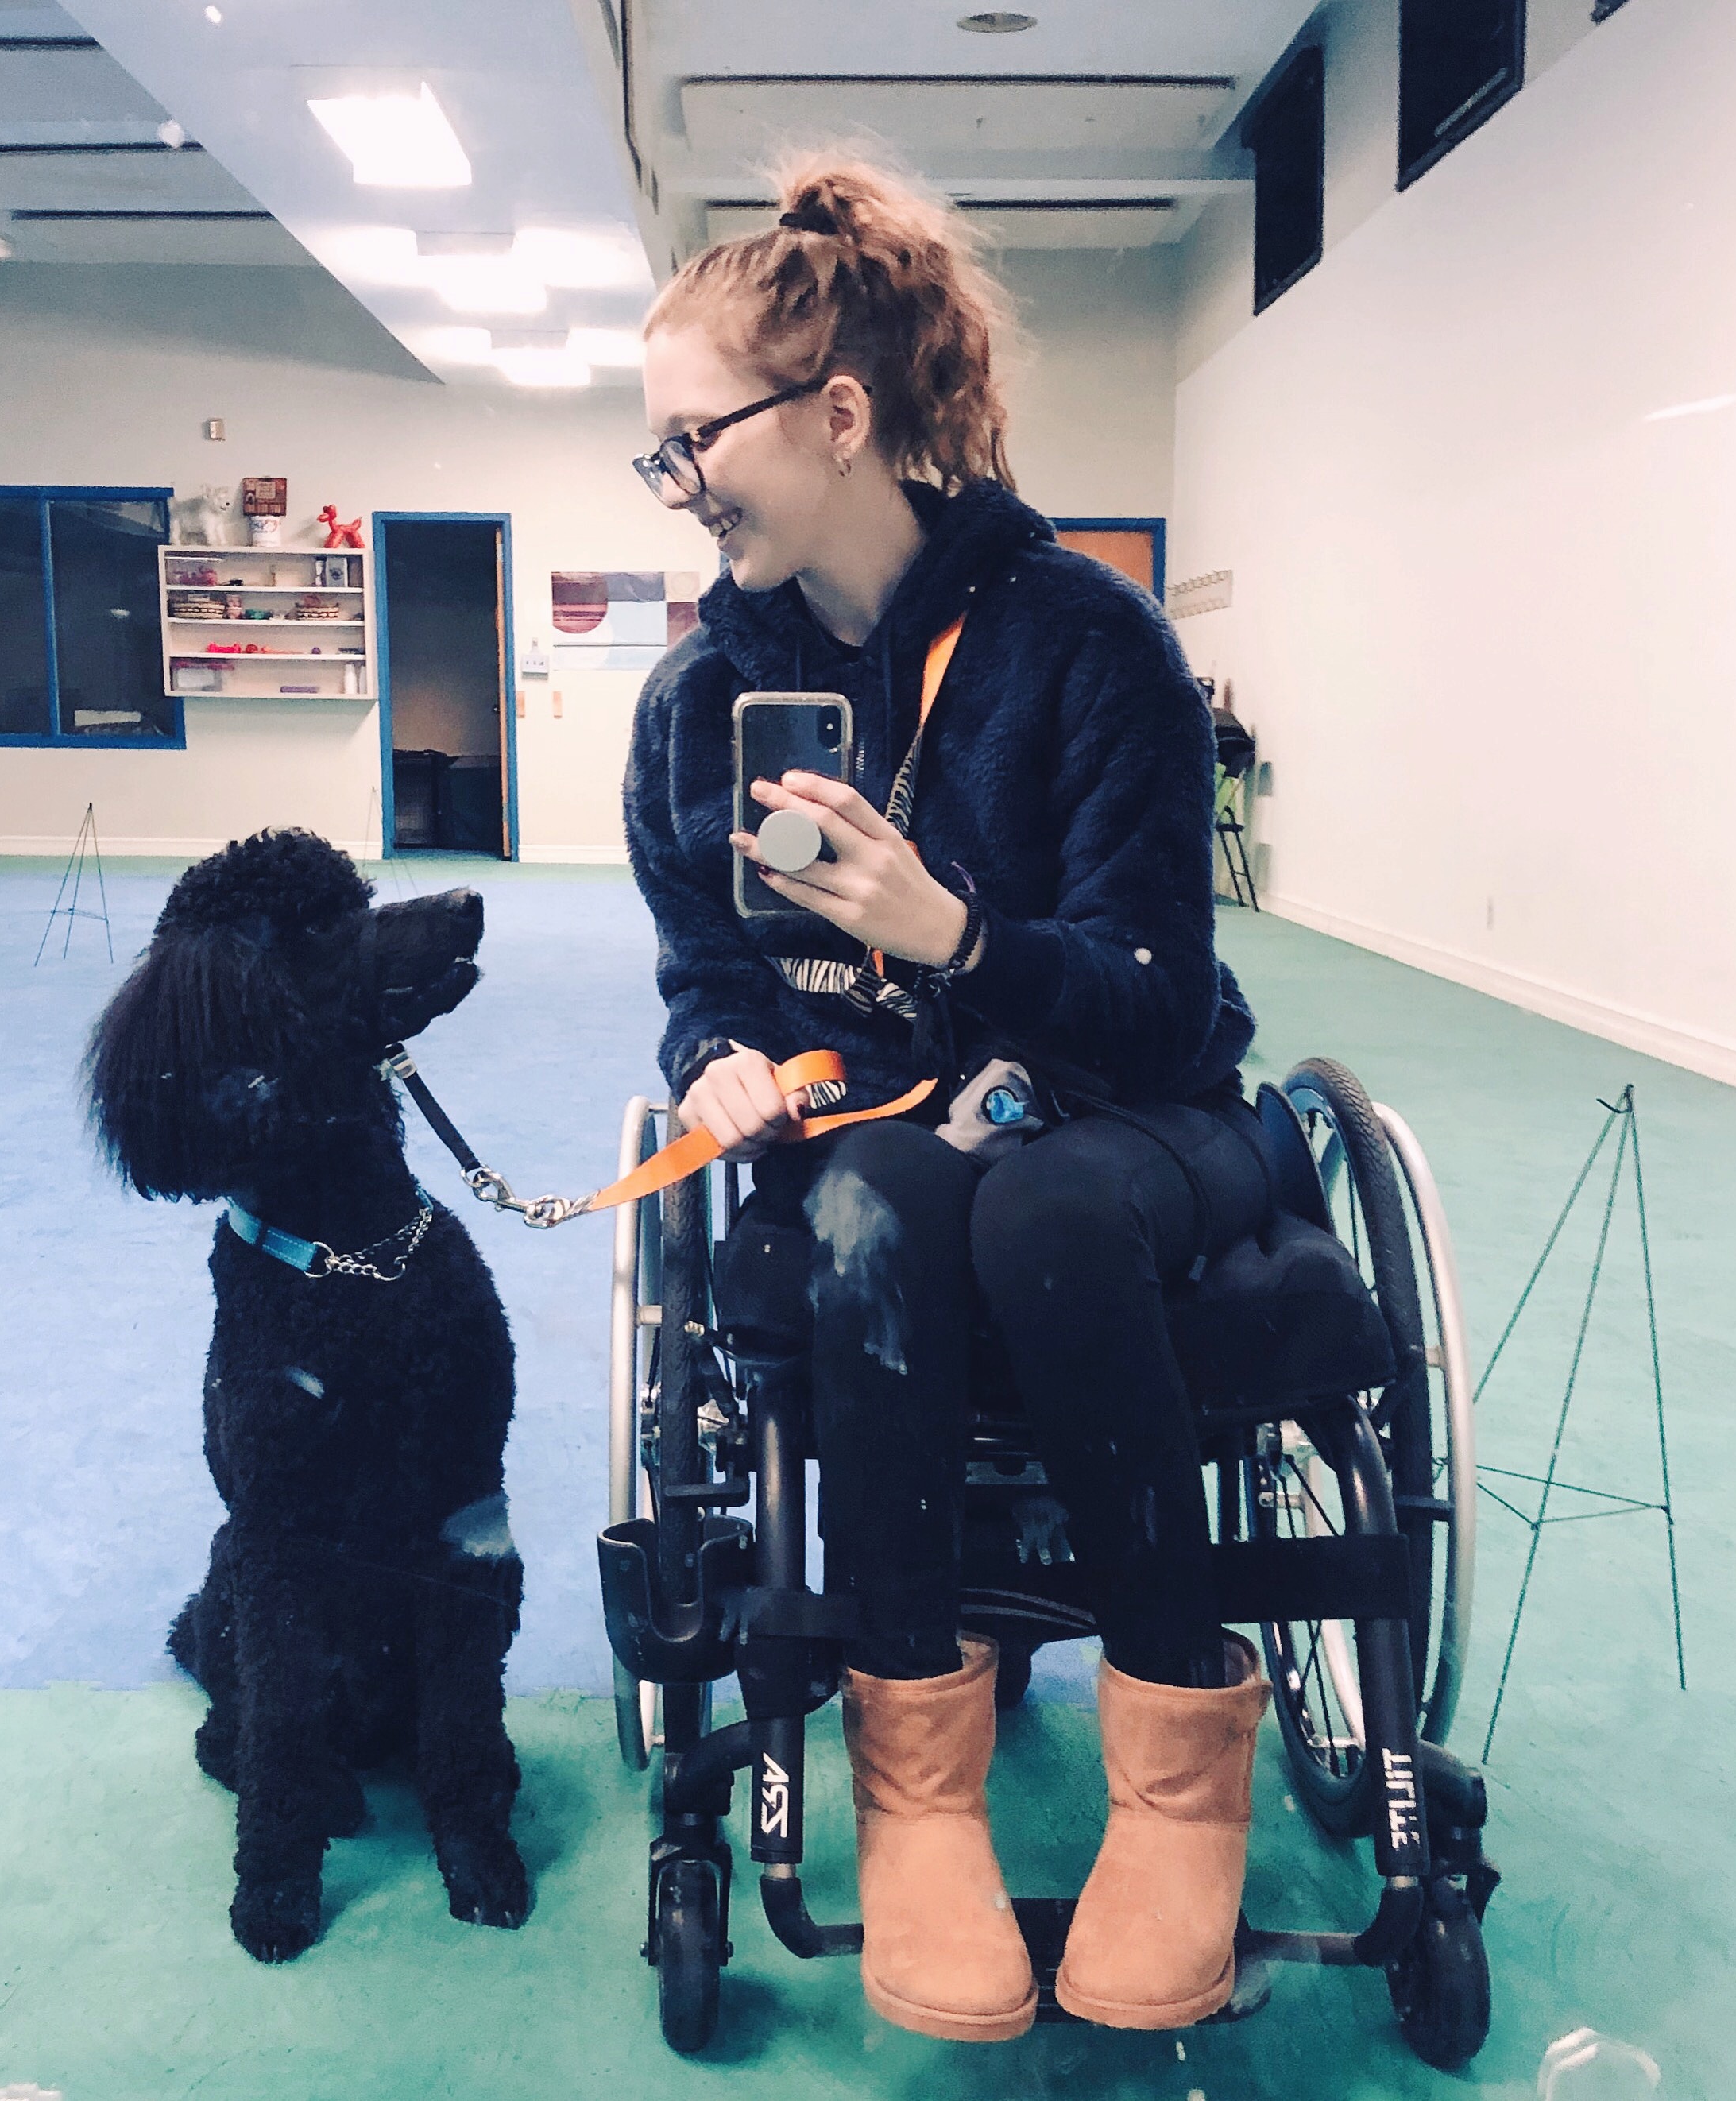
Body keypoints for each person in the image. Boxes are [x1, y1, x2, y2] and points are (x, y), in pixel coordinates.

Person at [622, 154, 1281, 2045]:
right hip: (876, 1144)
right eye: (655, 456)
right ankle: (916, 1788)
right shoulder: (692, 708)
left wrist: (947, 930)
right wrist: (717, 1063)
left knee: (1039, 1202)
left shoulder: (1088, 644)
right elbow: (703, 981)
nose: (679, 485)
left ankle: (1176, 1776)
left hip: (1125, 1115)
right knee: (880, 1201)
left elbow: (1155, 1003)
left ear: (837, 416)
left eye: (694, 441)